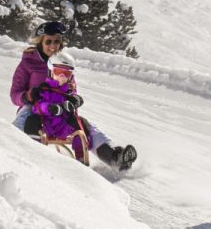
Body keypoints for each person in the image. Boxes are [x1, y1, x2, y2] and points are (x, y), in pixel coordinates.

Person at [11, 21, 137, 170]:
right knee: (26, 118)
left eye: (56, 41)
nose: (52, 46)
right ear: (40, 41)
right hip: (34, 107)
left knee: (85, 126)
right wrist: (28, 96)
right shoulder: (28, 63)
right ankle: (10, 146)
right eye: (48, 41)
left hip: (58, 110)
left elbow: (71, 89)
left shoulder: (64, 64)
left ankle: (114, 158)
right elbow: (15, 94)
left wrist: (73, 100)